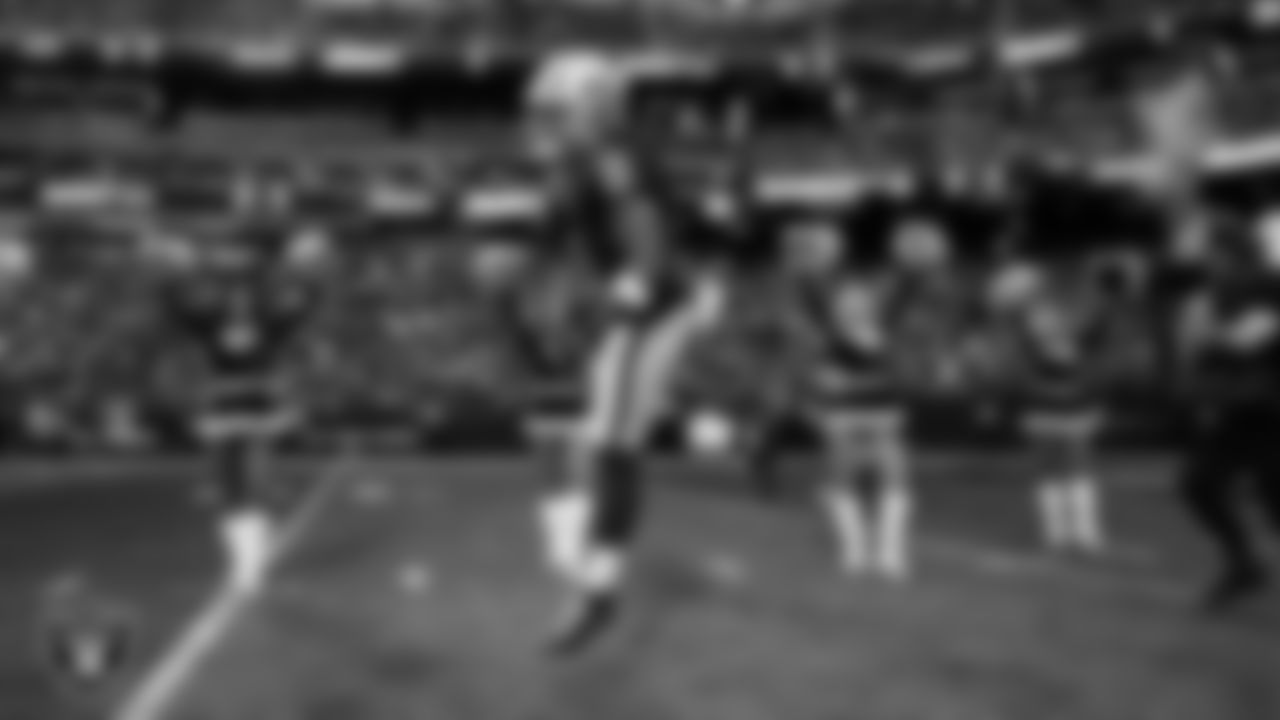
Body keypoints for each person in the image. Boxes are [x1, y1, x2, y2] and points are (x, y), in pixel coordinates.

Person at [526, 50, 726, 654]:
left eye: (556, 111)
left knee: (613, 447)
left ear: (592, 106)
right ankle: (596, 573)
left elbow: (644, 221)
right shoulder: (588, 160)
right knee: (605, 444)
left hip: (653, 307)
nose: (546, 123)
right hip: (657, 302)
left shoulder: (611, 156)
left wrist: (634, 285)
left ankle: (598, 592)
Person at [155, 229, 317, 595]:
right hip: (222, 416)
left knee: (253, 487)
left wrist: (301, 269)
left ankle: (252, 562)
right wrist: (175, 269)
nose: (238, 301)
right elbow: (172, 310)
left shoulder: (270, 327)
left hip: (260, 416)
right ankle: (244, 558)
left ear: (256, 299)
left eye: (245, 295)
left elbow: (307, 306)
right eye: (231, 295)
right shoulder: (211, 327)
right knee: (230, 492)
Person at [1170, 227, 1280, 610]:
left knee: (1273, 496)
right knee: (1198, 484)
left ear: (1234, 252)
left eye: (1212, 253)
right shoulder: (1216, 293)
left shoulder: (1267, 284)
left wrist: (1203, 330)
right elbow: (1201, 353)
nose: (1206, 261)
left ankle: (1245, 567)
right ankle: (1243, 564)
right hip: (1238, 408)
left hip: (1270, 408)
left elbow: (1248, 339)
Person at [1004, 264, 1108, 555]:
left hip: (1069, 404)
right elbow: (1048, 352)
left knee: (1074, 468)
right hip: (1047, 405)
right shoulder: (1031, 322)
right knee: (1053, 469)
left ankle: (1081, 533)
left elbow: (1081, 347)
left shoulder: (1048, 319)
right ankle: (1061, 533)